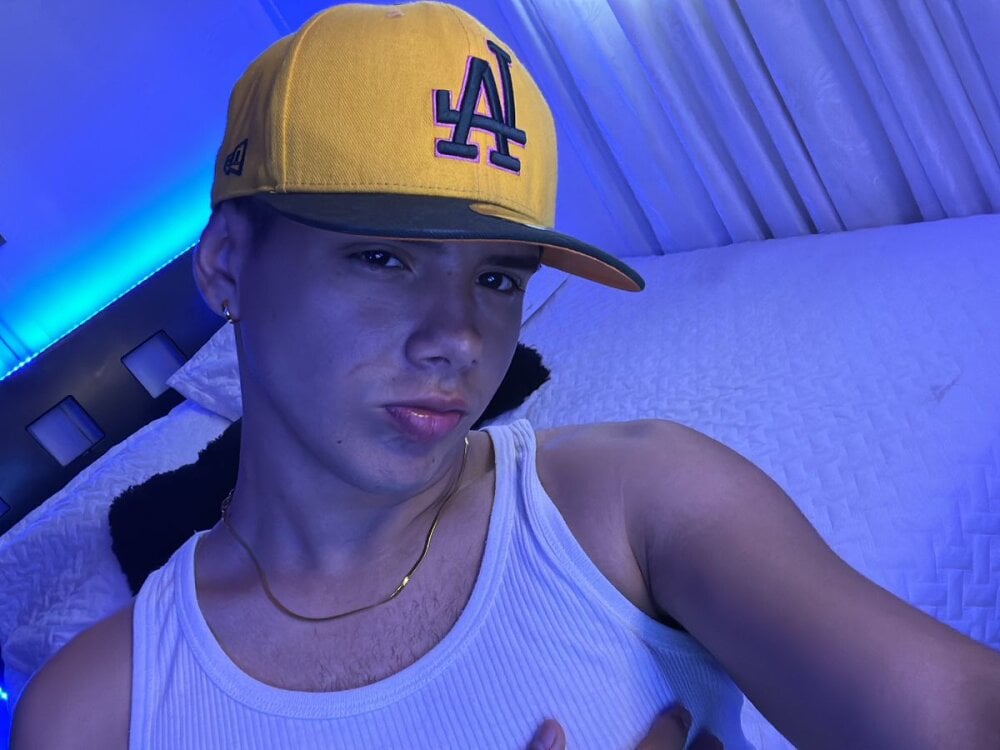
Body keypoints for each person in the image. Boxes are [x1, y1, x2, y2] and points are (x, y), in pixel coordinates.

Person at [12, 2, 1000, 748]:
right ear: (228, 263)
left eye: (497, 277)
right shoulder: (98, 710)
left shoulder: (637, 502)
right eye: (383, 258)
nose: (459, 338)